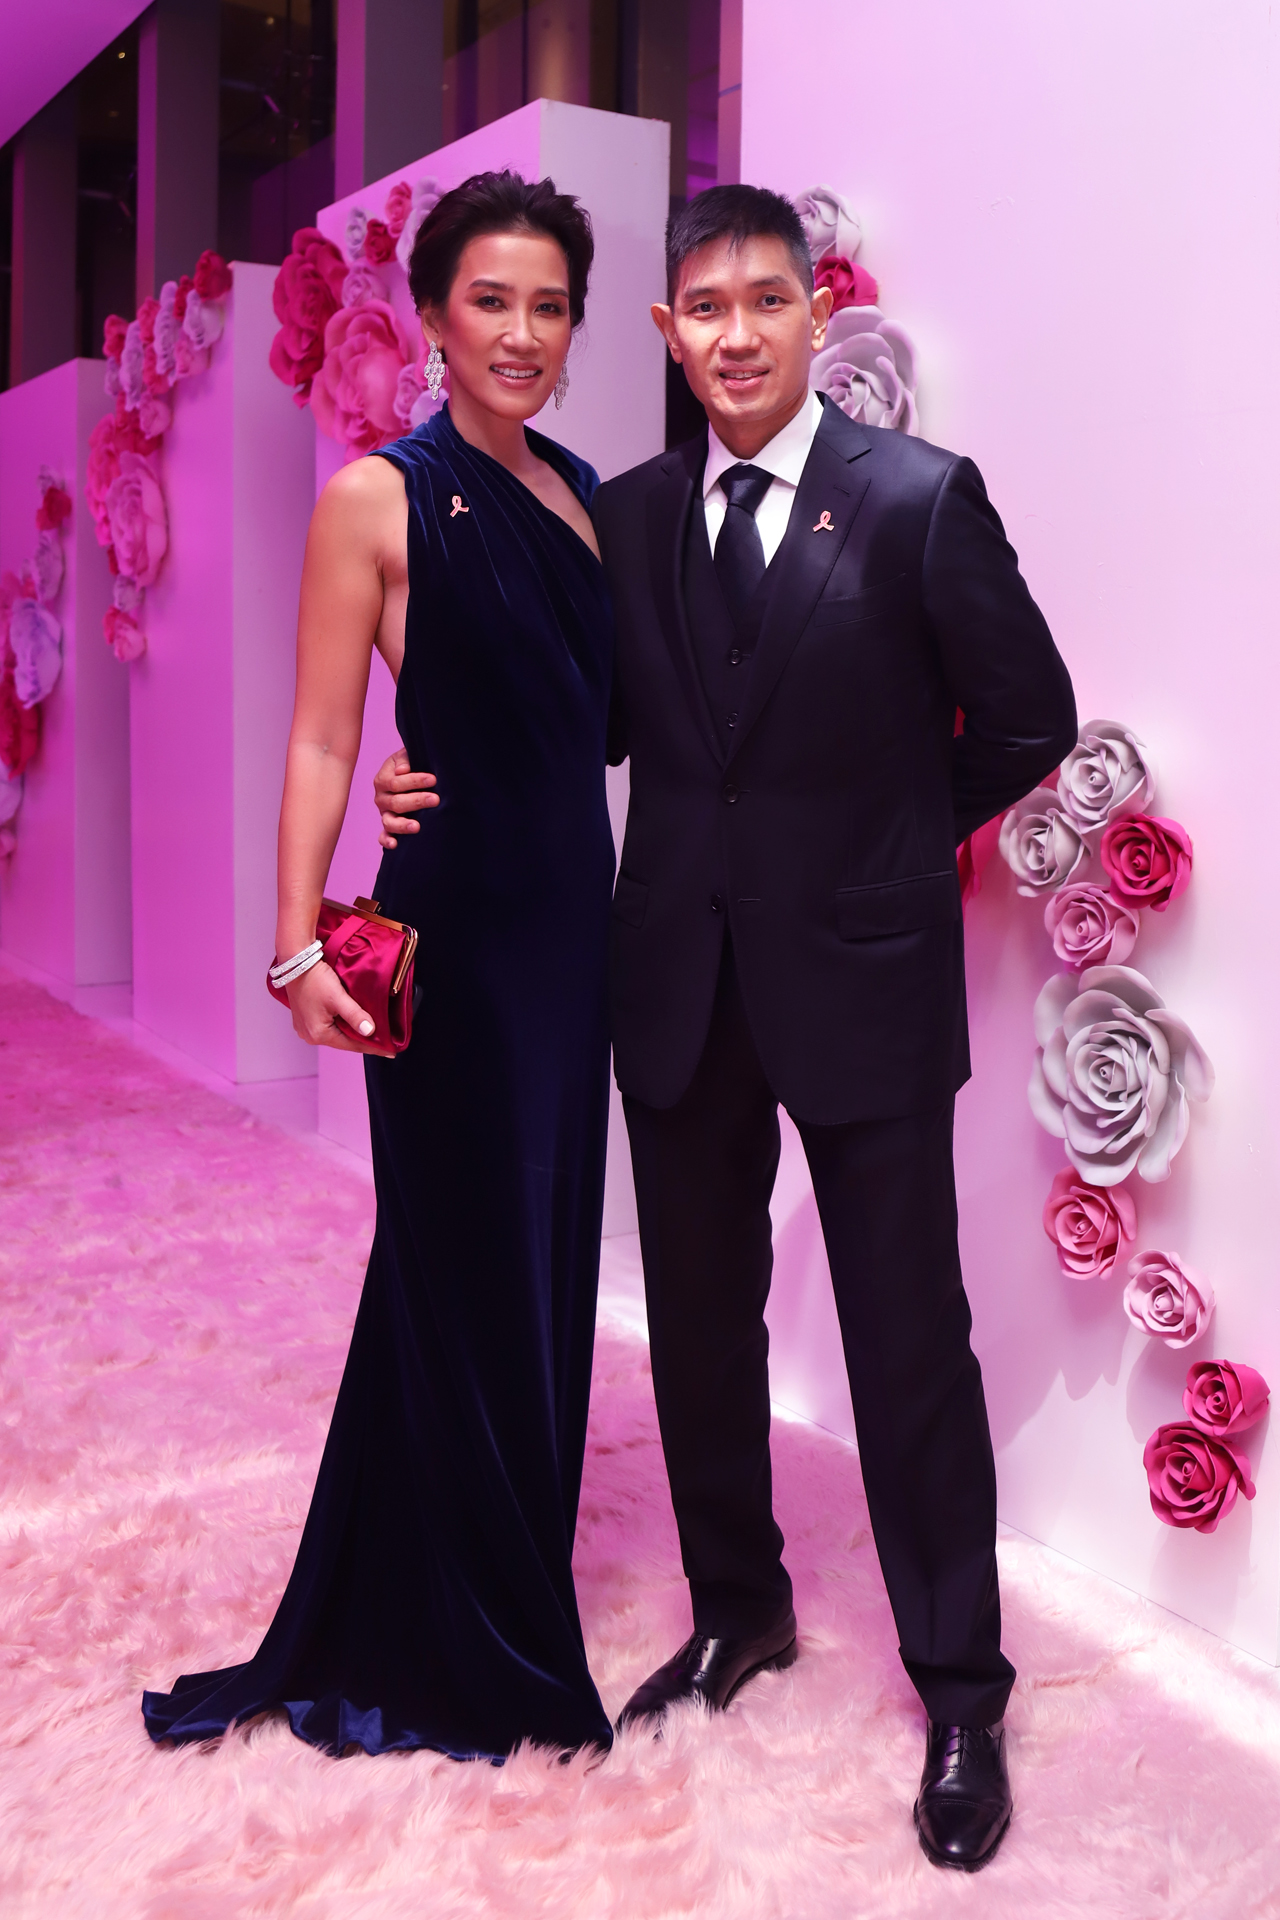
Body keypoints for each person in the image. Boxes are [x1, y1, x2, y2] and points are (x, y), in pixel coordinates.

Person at [376, 183, 1076, 1868]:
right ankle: (737, 1610)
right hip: (677, 979)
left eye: (769, 301)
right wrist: (420, 776)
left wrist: (892, 843)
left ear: (818, 316)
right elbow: (580, 729)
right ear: (669, 332)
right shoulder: (620, 519)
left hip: (865, 979)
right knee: (698, 1326)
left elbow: (1029, 715)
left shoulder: (916, 499)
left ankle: (961, 1689)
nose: (740, 334)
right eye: (707, 307)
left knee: (909, 1342)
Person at [142, 171, 617, 1762]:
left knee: (540, 1263)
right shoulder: (375, 496)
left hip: (574, 937)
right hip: (459, 935)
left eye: (550, 306)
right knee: (461, 1260)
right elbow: (322, 738)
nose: (521, 333)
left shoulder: (581, 495)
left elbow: (593, 721)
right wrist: (293, 946)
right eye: (491, 300)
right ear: (429, 317)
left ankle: (492, 1567)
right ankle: (474, 1639)